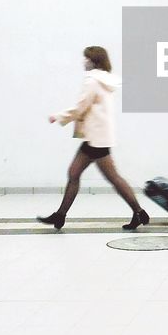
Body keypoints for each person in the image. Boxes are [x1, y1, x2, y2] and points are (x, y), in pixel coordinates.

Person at [38, 46, 150, 232]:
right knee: (75, 173)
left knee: (111, 177)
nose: (84, 61)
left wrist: (58, 116)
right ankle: (60, 215)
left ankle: (139, 212)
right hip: (96, 137)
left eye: (86, 58)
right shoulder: (104, 79)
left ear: (94, 61)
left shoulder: (92, 81)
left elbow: (81, 107)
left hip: (96, 140)